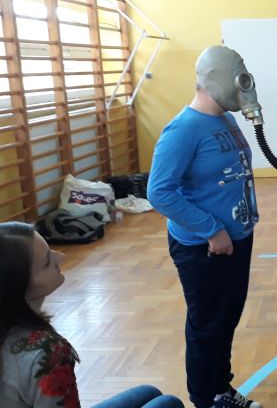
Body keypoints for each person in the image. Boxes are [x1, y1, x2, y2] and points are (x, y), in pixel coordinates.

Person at [147, 47, 261, 408]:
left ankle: (220, 389)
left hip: (236, 240)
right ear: (217, 79)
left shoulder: (225, 120)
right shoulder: (183, 129)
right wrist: (211, 229)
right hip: (204, 247)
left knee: (226, 320)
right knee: (207, 326)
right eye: (238, 78)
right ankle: (204, 399)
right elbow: (159, 192)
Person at [0, 222, 184, 408]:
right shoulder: (46, 351)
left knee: (149, 393)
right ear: (20, 284)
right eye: (47, 261)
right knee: (168, 403)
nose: (61, 256)